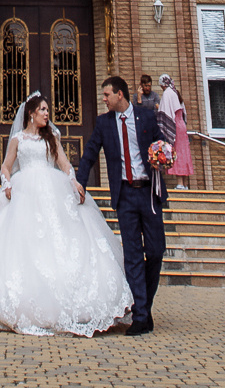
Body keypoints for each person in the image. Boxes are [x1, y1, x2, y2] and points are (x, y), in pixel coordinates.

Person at [0, 92, 133, 336]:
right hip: (25, 191)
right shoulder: (18, 139)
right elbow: (6, 165)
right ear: (31, 113)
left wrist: (73, 181)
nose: (47, 114)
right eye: (43, 110)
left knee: (62, 240)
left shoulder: (53, 137)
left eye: (48, 110)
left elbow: (63, 163)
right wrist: (6, 183)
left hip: (53, 189)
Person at [76, 75, 170, 334]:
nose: (103, 99)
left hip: (148, 192)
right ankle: (140, 316)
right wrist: (79, 182)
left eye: (107, 95)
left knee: (155, 250)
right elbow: (90, 153)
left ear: (120, 95)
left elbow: (162, 143)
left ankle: (145, 306)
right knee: (132, 255)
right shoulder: (104, 123)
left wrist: (164, 157)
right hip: (125, 195)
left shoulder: (147, 117)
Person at [155, 74, 194, 182]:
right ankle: (185, 184)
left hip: (175, 125)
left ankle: (180, 183)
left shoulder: (167, 93)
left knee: (176, 153)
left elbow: (165, 113)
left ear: (162, 84)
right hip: (181, 126)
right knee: (184, 152)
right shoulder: (175, 92)